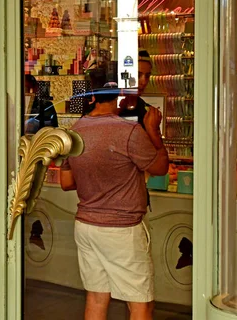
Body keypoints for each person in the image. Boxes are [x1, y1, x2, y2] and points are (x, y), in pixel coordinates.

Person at [60, 74, 169, 320]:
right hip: (122, 230)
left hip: (86, 226)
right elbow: (160, 168)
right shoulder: (128, 132)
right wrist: (153, 131)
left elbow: (66, 183)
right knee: (140, 302)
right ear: (120, 96)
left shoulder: (75, 131)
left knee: (97, 297)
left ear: (93, 97)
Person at [119, 50, 153, 126]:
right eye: (137, 75)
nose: (143, 82)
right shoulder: (108, 110)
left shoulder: (148, 112)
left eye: (147, 76)